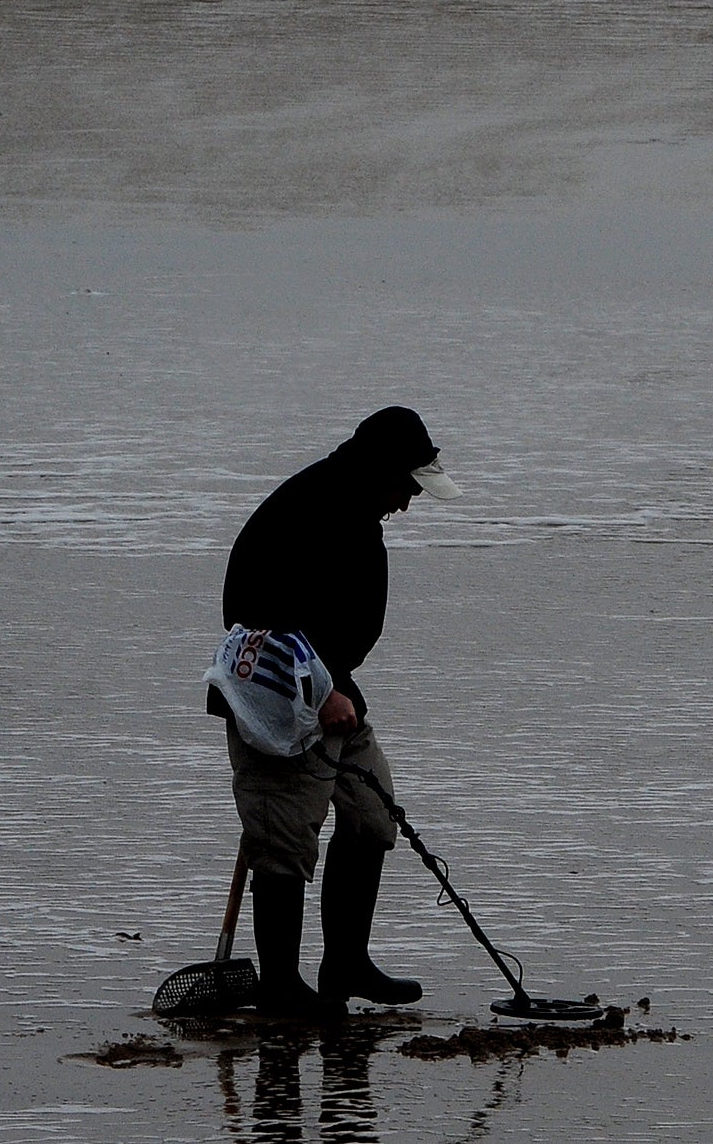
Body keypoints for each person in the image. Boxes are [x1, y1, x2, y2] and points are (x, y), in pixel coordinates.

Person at [208, 405, 462, 1018]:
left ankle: (345, 963)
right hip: (275, 709)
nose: (408, 502)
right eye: (407, 486)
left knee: (373, 818)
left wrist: (336, 689)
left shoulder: (359, 507)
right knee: (284, 844)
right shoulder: (309, 509)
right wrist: (320, 695)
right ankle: (282, 989)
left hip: (334, 694)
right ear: (382, 469)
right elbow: (252, 614)